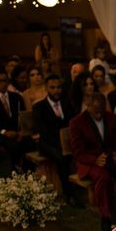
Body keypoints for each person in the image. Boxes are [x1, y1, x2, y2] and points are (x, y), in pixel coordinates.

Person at [69, 92, 116, 231]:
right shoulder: (77, 123)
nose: (99, 114)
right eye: (95, 111)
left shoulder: (112, 118)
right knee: (103, 178)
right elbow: (77, 152)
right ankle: (105, 219)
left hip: (109, 158)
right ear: (87, 107)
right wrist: (94, 160)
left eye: (101, 110)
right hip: (88, 161)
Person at [33, 74, 78, 205]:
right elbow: (43, 132)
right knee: (62, 157)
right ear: (46, 88)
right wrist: (61, 144)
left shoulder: (67, 104)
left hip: (66, 141)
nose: (56, 90)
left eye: (58, 87)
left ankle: (79, 186)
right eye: (52, 87)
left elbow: (73, 124)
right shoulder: (39, 107)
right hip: (48, 143)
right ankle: (69, 194)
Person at [0, 68, 32, 174]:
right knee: (14, 147)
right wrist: (5, 132)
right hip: (0, 133)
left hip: (17, 132)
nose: (3, 84)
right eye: (0, 81)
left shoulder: (16, 97)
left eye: (5, 80)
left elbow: (23, 118)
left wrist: (21, 132)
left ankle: (27, 171)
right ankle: (15, 173)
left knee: (30, 144)